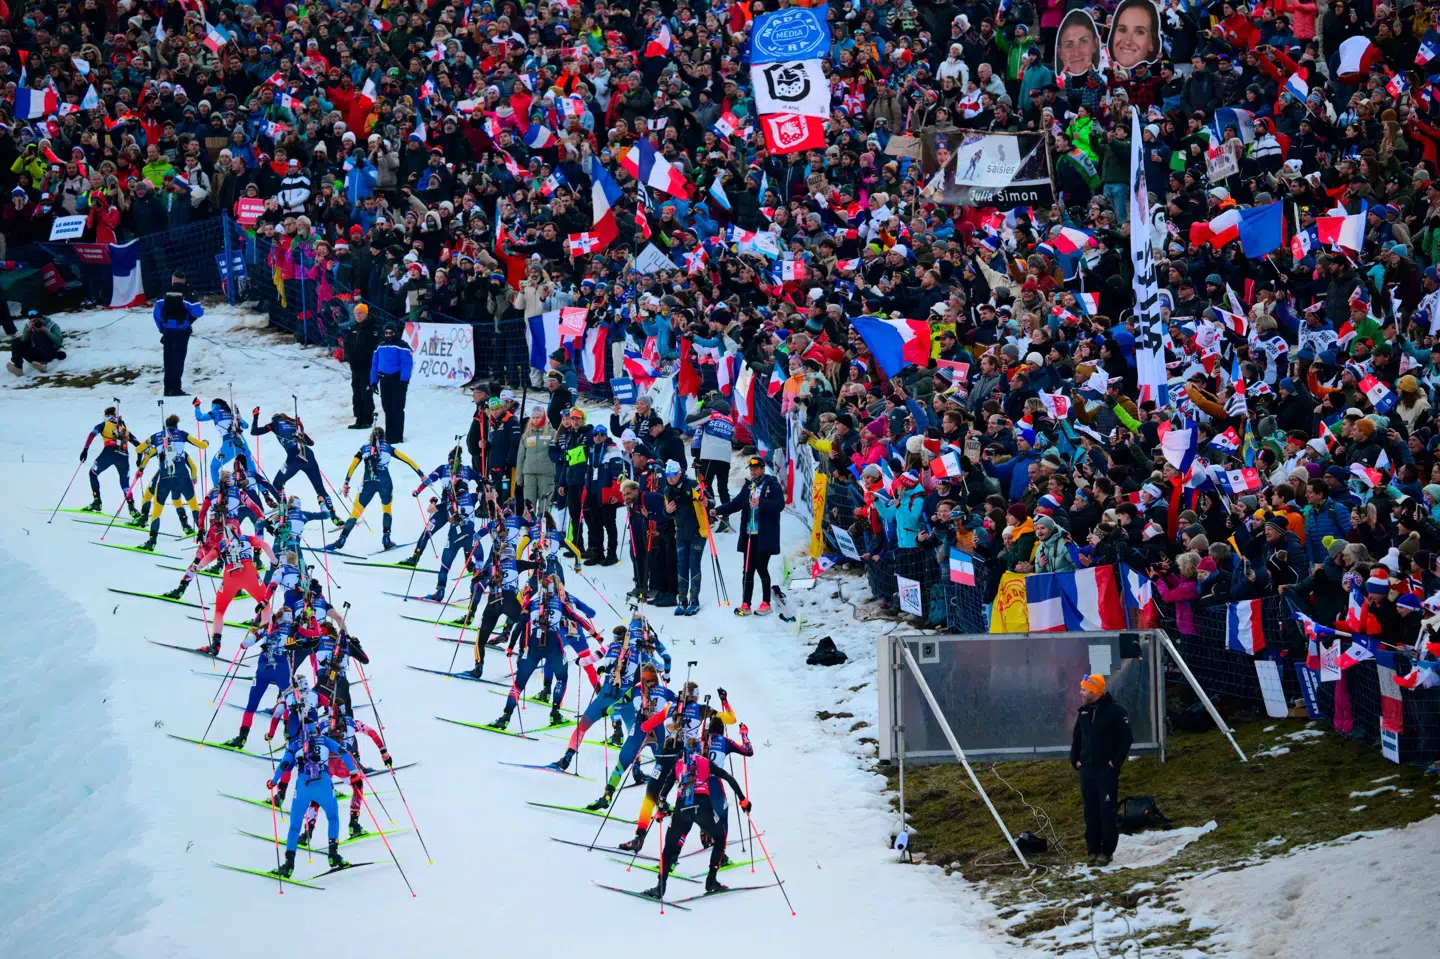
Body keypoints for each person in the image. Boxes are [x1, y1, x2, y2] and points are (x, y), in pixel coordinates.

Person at [1070, 674, 1132, 866]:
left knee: (1107, 810)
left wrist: (1115, 763)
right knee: (1091, 811)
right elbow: (1077, 738)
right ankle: (1092, 850)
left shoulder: (1116, 712)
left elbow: (1126, 739)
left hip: (1106, 771)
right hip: (1087, 770)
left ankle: (1107, 851)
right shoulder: (1083, 713)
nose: (1080, 693)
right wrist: (1075, 760)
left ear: (1095, 691)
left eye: (1084, 689)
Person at [333, 426, 423, 552]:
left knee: (356, 512)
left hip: (368, 483)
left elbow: (353, 466)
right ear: (384, 437)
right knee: (386, 509)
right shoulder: (388, 447)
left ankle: (342, 539)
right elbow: (407, 460)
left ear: (371, 436)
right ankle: (386, 539)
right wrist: (421, 474)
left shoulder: (364, 448)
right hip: (385, 482)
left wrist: (346, 483)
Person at [714, 457, 784, 615]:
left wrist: (761, 503)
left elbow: (779, 505)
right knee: (747, 568)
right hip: (749, 534)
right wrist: (718, 510)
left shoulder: (771, 485)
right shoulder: (749, 486)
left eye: (756, 469)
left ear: (762, 469)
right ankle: (746, 603)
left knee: (761, 566)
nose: (753, 472)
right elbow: (736, 504)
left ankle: (766, 602)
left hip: (764, 535)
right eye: (751, 470)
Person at [80, 406, 138, 519]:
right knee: (125, 484)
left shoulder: (104, 424)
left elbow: (92, 434)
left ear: (106, 415)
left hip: (109, 452)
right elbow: (135, 442)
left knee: (93, 473)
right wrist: (141, 456)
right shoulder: (123, 427)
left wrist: (85, 449)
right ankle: (132, 508)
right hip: (124, 455)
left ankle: (97, 501)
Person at [154, 273, 202, 396]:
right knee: (178, 360)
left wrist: (162, 329)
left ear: (173, 280)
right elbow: (198, 312)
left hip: (167, 331)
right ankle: (176, 389)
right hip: (181, 331)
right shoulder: (188, 294)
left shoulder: (164, 294)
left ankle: (167, 388)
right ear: (184, 281)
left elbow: (156, 315)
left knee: (168, 360)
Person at [370, 324, 413, 443]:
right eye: (386, 333)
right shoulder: (380, 346)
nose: (389, 335)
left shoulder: (402, 346)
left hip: (398, 380)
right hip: (384, 379)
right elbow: (374, 364)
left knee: (397, 407)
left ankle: (397, 436)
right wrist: (373, 381)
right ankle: (389, 436)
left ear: (395, 333)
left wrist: (404, 380)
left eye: (391, 333)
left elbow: (406, 363)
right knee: (387, 407)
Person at [340, 304, 379, 429]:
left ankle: (367, 418)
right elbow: (347, 345)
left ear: (366, 314)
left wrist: (365, 360)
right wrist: (351, 359)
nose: (358, 316)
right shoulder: (353, 328)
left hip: (367, 366)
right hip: (355, 366)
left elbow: (374, 348)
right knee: (356, 392)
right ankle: (358, 418)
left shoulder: (373, 328)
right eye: (356, 314)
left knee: (366, 391)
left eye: (360, 313)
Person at [7, 311, 65, 377]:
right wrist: (28, 329)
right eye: (33, 321)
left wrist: (45, 330)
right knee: (16, 341)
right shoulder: (29, 325)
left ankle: (43, 365)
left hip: (49, 353)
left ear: (42, 318)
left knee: (39, 334)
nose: (36, 323)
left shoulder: (52, 325)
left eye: (37, 320)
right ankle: (18, 367)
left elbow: (59, 342)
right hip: (34, 355)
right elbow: (23, 340)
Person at [1108, 0, 1162, 69]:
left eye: (1139, 32)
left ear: (1151, 43)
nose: (1128, 42)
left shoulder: (1155, 77)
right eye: (1122, 30)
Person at [1055, 10, 1102, 76]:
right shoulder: (1055, 81)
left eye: (1083, 42)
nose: (1076, 53)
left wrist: (1092, 72)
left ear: (1095, 44)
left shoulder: (1105, 75)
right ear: (1059, 51)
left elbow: (1102, 86)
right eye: (1069, 45)